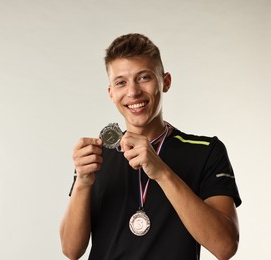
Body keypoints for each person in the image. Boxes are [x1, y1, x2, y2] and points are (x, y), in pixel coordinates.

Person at [59, 33, 241, 260]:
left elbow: (225, 247)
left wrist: (162, 172)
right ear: (111, 93)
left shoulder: (206, 151)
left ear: (165, 82)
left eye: (144, 78)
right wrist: (83, 183)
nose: (133, 92)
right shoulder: (95, 156)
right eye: (121, 82)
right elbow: (70, 250)